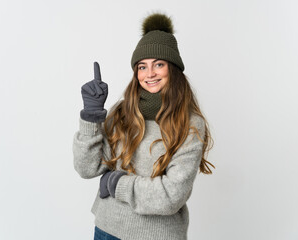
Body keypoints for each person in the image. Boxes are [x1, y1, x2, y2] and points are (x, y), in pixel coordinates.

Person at [73, 13, 215, 240]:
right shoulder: (122, 112)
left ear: (173, 69)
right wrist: (92, 117)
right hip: (106, 230)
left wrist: (118, 183)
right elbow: (87, 169)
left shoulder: (189, 125)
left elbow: (171, 195)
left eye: (158, 64)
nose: (149, 74)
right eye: (142, 66)